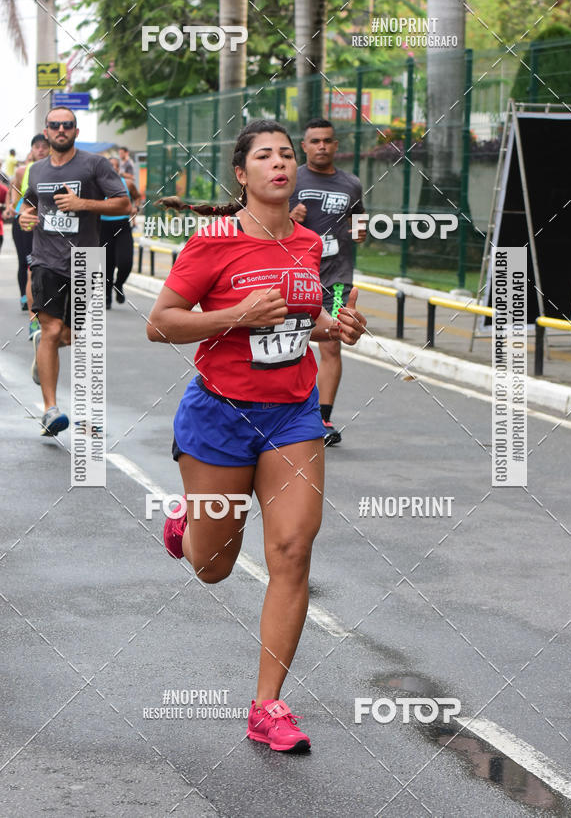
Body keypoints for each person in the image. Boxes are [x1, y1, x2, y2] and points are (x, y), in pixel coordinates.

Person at [148, 120, 366, 752]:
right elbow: (160, 324)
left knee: (293, 551)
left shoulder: (307, 242)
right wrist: (236, 315)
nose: (280, 163)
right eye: (265, 156)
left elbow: (302, 317)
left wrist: (335, 326)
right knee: (213, 568)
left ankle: (267, 706)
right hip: (221, 414)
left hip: (292, 414)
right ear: (242, 175)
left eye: (287, 155)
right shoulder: (213, 242)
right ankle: (188, 524)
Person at [20, 107, 129, 436]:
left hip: (86, 260)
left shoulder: (95, 165)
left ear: (76, 131)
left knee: (74, 337)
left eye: (67, 125)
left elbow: (123, 203)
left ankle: (43, 347)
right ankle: (50, 410)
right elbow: (30, 204)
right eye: (55, 125)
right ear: (47, 131)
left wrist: (85, 205)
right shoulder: (36, 170)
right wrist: (25, 217)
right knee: (52, 329)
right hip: (46, 259)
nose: (61, 129)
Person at [289, 118, 365, 446]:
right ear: (304, 146)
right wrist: (288, 217)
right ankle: (289, 410)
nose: (321, 146)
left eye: (327, 141)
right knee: (290, 342)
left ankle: (323, 418)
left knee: (332, 341)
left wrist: (360, 230)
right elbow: (262, 220)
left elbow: (359, 218)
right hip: (295, 276)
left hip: (336, 278)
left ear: (336, 145)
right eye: (315, 141)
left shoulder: (351, 184)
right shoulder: (290, 179)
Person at [4, 135, 50, 319]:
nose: (40, 150)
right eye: (37, 147)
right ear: (32, 150)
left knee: (40, 263)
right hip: (24, 220)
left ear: (50, 149)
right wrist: (12, 207)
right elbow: (14, 192)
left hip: (46, 222)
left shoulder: (58, 170)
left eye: (44, 146)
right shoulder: (23, 171)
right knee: (26, 261)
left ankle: (42, 300)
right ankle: (25, 297)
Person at [100, 157, 140, 308]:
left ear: (119, 169)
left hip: (122, 226)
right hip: (103, 228)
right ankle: (107, 296)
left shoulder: (127, 184)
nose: (113, 168)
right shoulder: (98, 185)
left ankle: (119, 284)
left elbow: (137, 197)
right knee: (107, 264)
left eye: (115, 166)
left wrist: (136, 207)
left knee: (125, 262)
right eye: (110, 165)